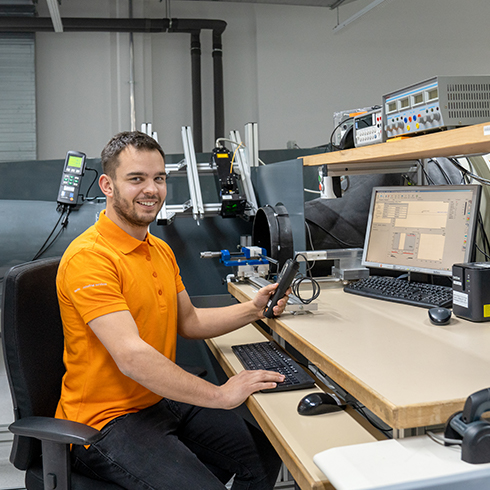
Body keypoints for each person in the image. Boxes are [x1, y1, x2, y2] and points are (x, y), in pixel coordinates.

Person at [55, 131, 290, 489]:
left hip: (157, 400)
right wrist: (219, 395)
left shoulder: (158, 249)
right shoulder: (91, 258)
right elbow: (131, 357)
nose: (152, 189)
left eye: (159, 178)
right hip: (103, 422)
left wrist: (255, 309)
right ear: (107, 184)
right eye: (136, 179)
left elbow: (189, 320)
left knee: (266, 453)